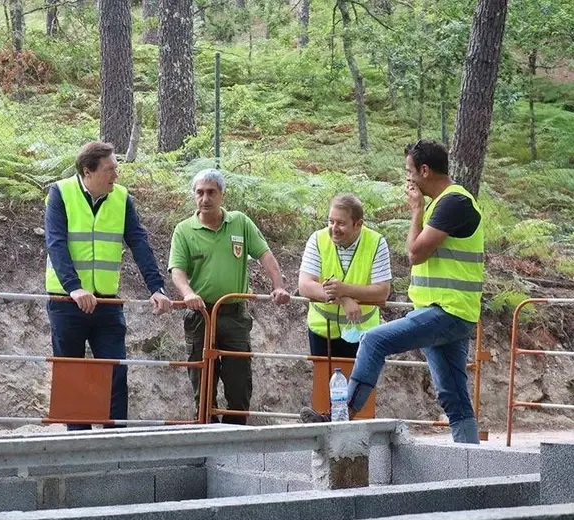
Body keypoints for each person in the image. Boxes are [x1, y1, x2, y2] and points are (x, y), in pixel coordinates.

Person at [301, 140, 484, 444]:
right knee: (454, 398)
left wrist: (416, 211)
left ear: (424, 170)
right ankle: (470, 457)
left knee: (374, 340)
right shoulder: (443, 203)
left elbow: (415, 253)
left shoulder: (453, 202)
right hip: (443, 311)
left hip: (448, 311)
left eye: (409, 172)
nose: (407, 179)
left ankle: (340, 415)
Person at [45, 141, 172, 430]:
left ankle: (116, 441)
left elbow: (139, 242)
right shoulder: (60, 193)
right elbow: (56, 243)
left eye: (116, 168)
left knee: (115, 371)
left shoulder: (122, 198)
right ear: (88, 171)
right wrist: (74, 287)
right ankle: (78, 442)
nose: (116, 175)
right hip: (66, 302)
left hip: (107, 303)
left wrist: (156, 287)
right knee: (72, 373)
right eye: (110, 169)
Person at [169, 169, 291, 425]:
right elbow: (177, 270)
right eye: (199, 192)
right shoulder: (184, 230)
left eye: (211, 192)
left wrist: (278, 285)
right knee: (203, 384)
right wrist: (188, 293)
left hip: (234, 316)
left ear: (222, 195)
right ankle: (206, 435)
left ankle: (235, 436)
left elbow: (265, 255)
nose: (205, 198)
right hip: (201, 316)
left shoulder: (240, 223)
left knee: (239, 383)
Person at [298, 194, 391, 359]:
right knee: (324, 377)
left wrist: (344, 289)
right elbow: (305, 286)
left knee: (360, 377)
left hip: (364, 333)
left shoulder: (376, 242)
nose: (334, 228)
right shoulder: (317, 239)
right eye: (330, 221)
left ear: (358, 224)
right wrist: (343, 298)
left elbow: (382, 292)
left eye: (340, 223)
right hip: (323, 332)